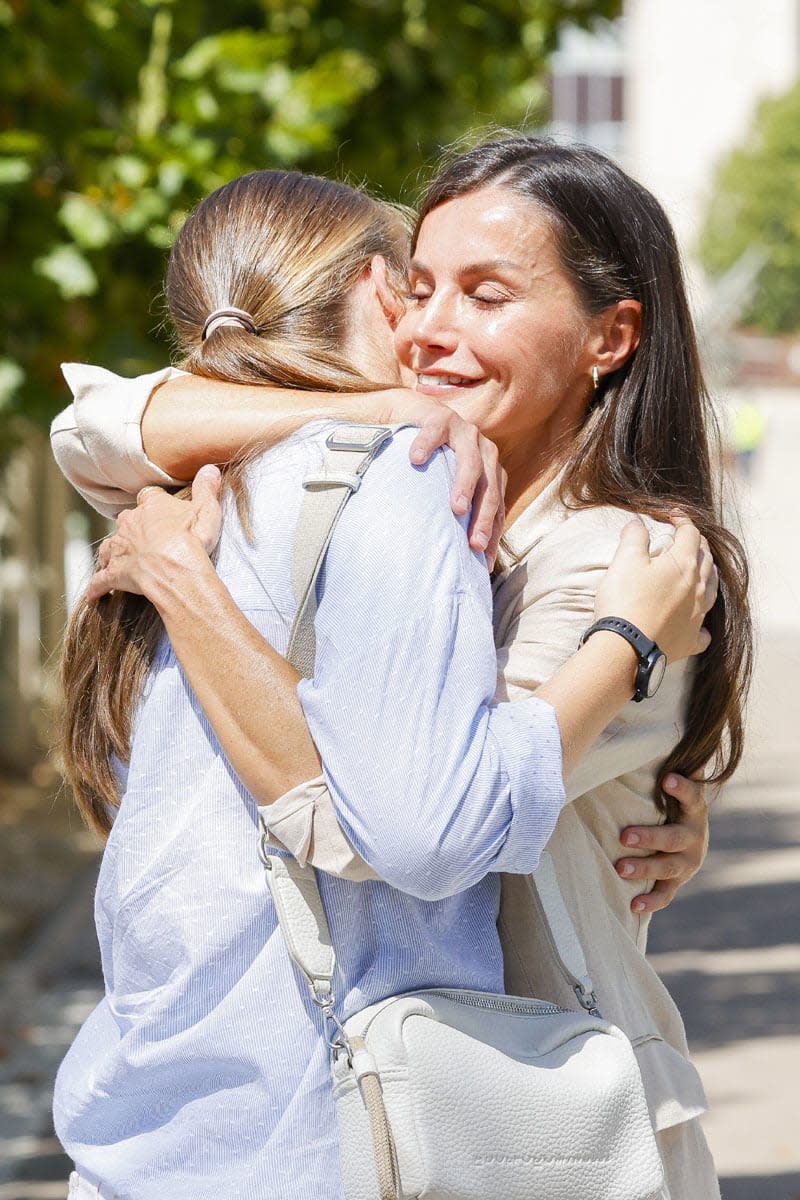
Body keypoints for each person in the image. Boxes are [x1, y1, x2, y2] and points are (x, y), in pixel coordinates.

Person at [51, 139, 750, 1199]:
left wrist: (628, 648)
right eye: (417, 291)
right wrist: (368, 410)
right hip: (421, 1097)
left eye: (484, 295)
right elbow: (92, 425)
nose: (430, 331)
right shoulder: (396, 480)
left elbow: (407, 816)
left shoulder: (621, 563)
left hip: (540, 1125)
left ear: (610, 336)